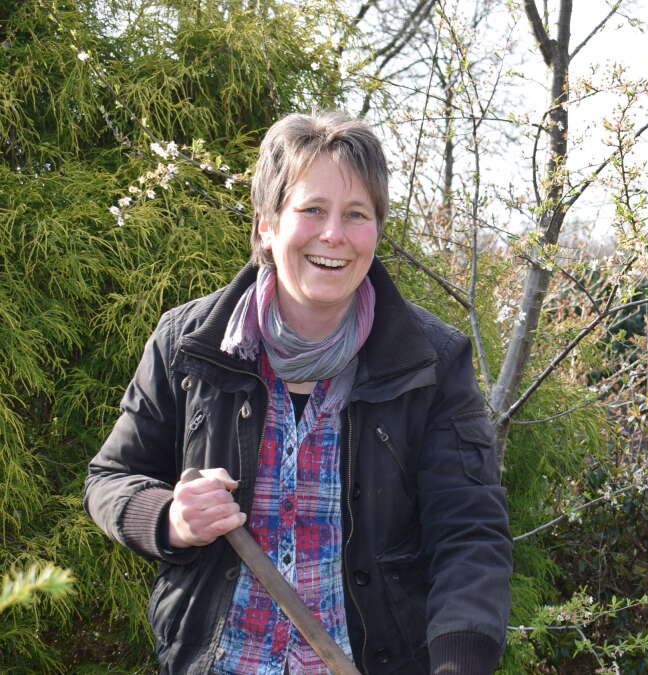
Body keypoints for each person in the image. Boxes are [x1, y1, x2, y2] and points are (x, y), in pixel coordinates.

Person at [84, 111, 511, 674]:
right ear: (266, 223)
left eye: (356, 214)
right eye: (312, 210)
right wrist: (169, 517)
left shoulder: (432, 361)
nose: (333, 235)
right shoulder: (188, 345)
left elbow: (469, 531)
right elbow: (110, 479)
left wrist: (457, 664)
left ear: (376, 230)